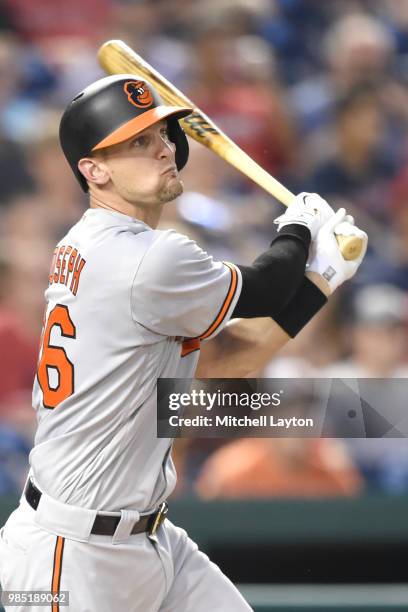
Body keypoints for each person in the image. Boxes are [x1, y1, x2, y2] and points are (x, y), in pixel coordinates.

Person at [0, 74, 367, 611]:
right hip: (71, 557)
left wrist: (322, 278)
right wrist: (298, 231)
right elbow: (265, 287)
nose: (163, 149)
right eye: (137, 143)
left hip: (152, 540)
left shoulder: (103, 244)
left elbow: (233, 361)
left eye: (161, 136)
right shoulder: (145, 258)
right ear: (93, 169)